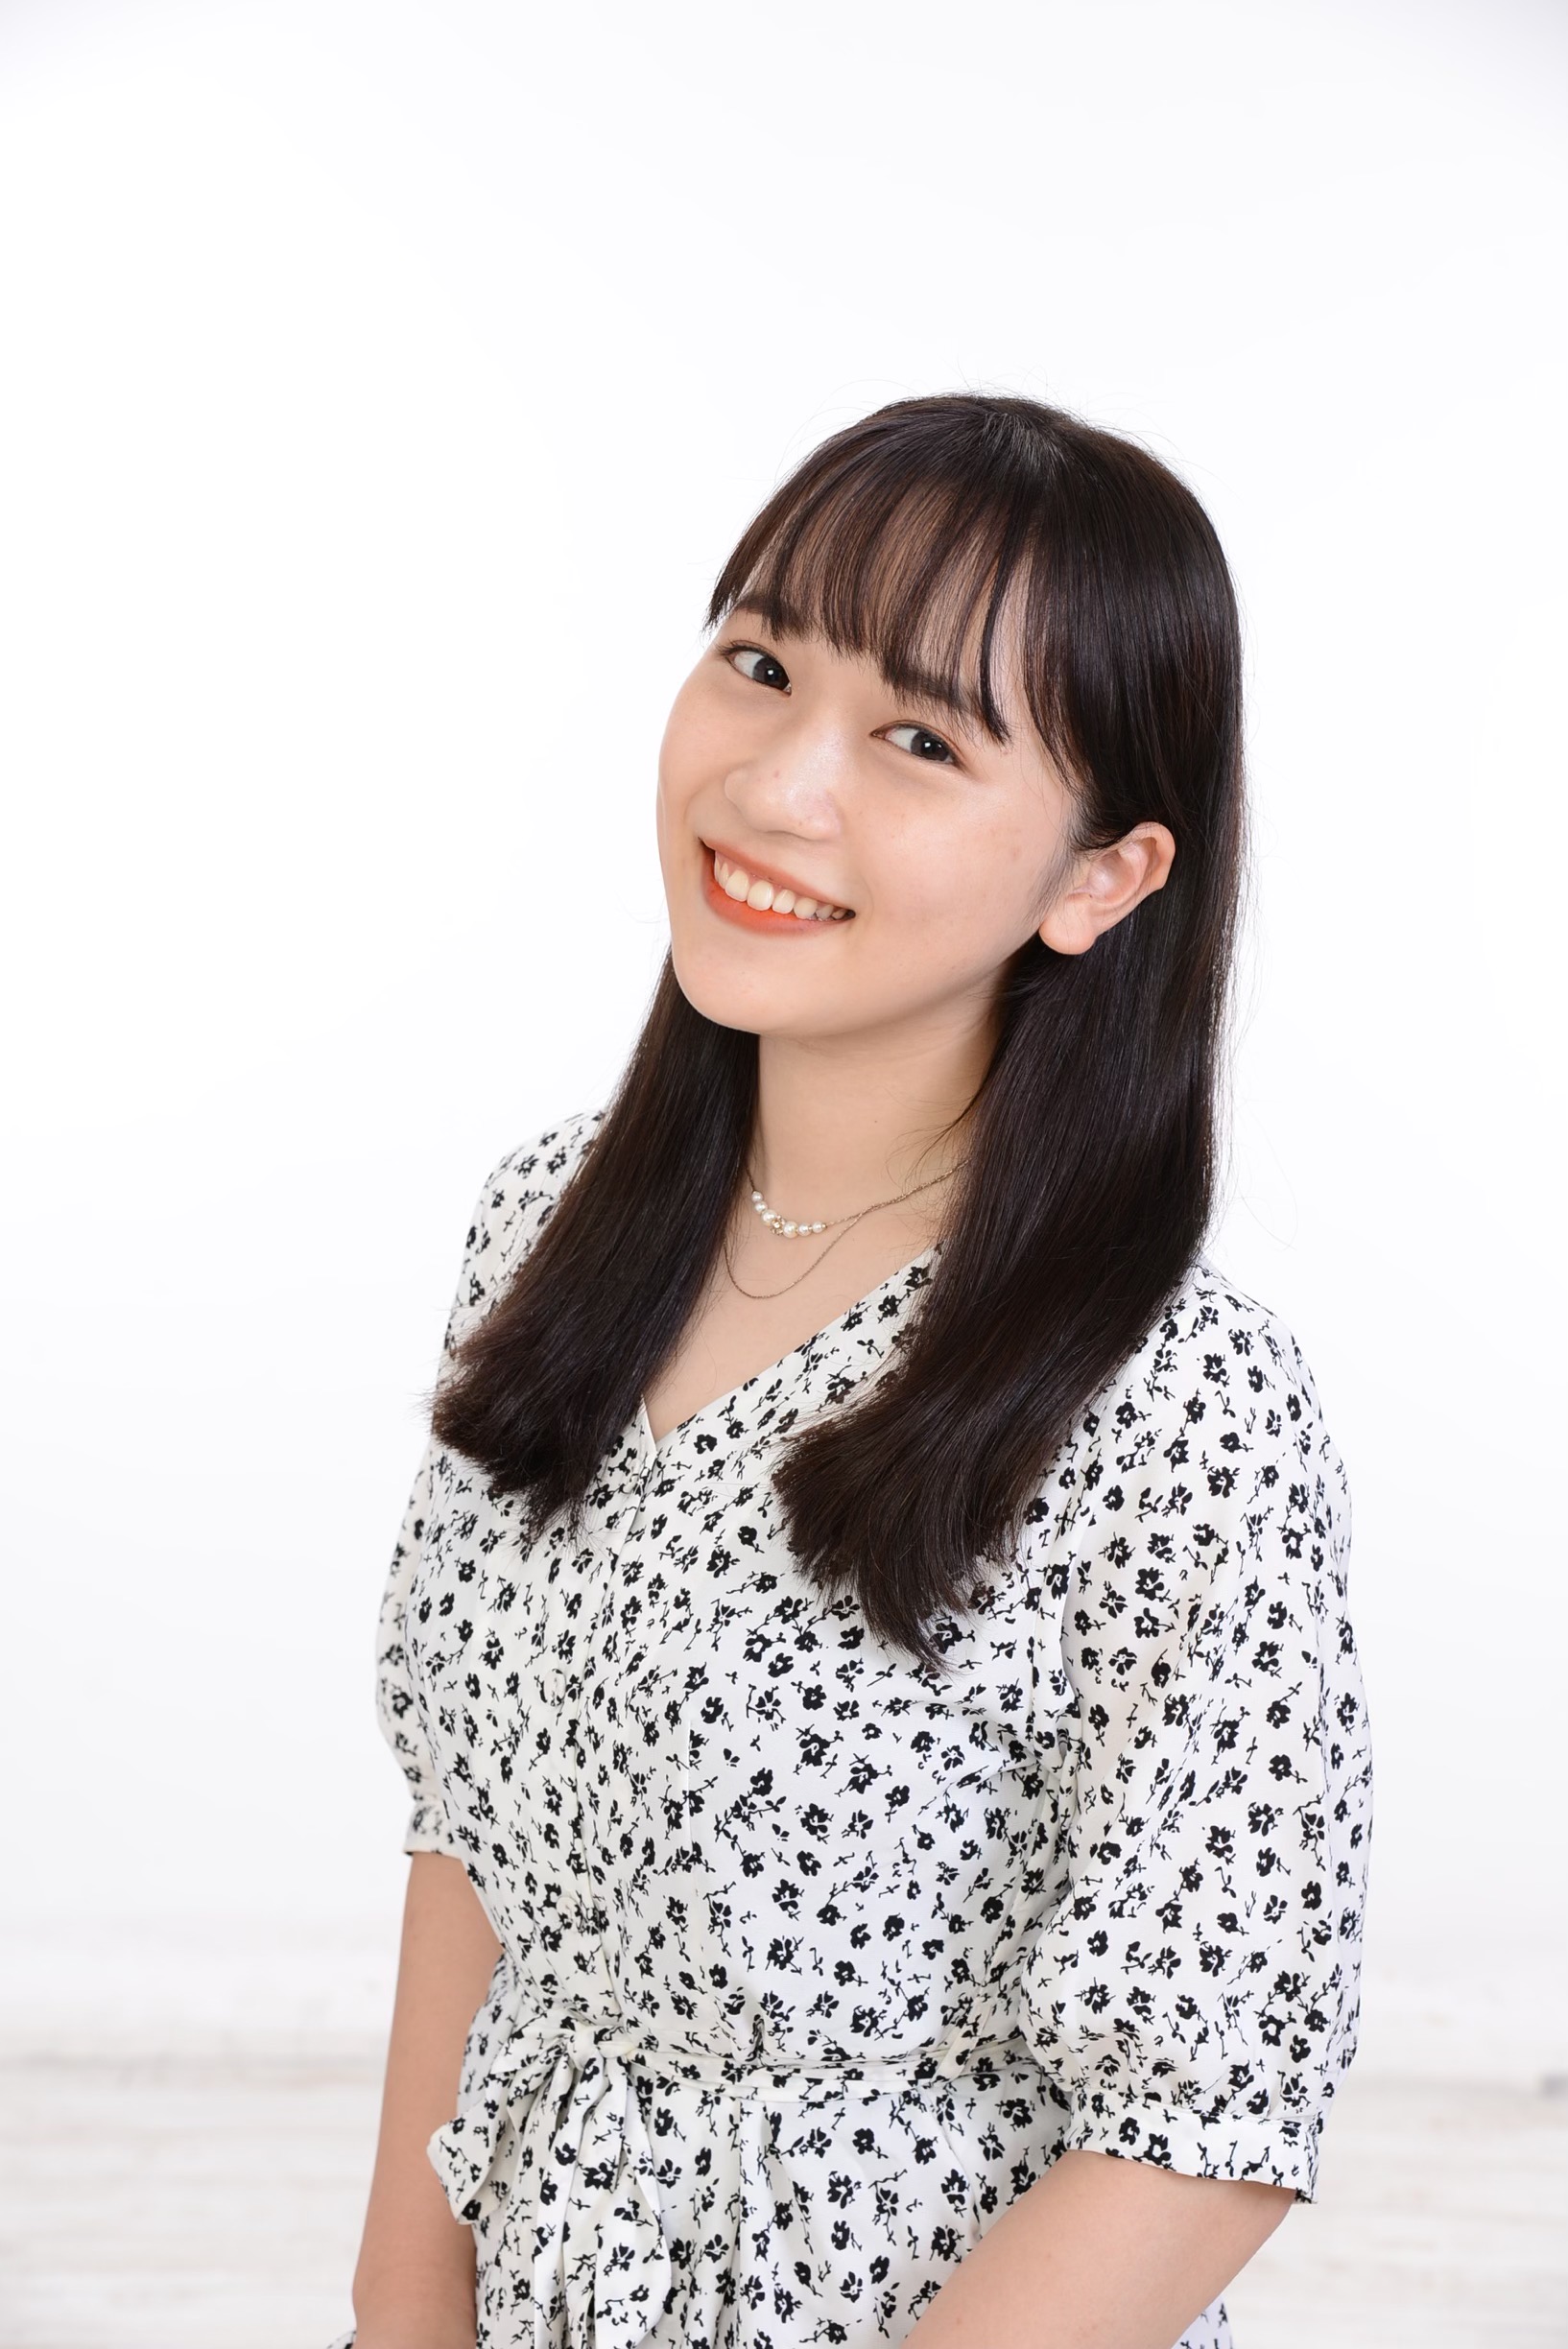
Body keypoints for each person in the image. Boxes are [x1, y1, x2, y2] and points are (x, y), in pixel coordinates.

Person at [335, 392, 1372, 2349]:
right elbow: (471, 1845)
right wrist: (400, 2320)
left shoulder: (1171, 1398)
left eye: (920, 740)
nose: (779, 785)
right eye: (758, 663)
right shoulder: (547, 1224)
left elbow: (1205, 2110)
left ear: (1101, 877)